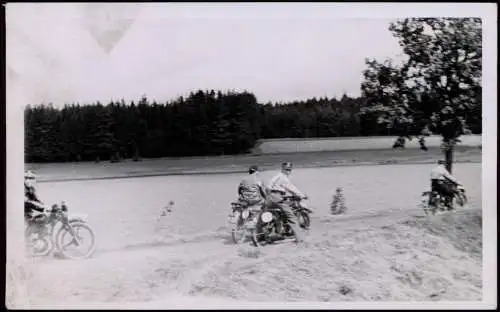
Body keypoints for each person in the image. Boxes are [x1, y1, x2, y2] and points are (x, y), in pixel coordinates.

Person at [266, 162, 307, 243]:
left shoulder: (275, 176)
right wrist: (301, 195)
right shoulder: (283, 178)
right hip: (277, 197)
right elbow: (291, 188)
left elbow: (268, 187)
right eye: (287, 169)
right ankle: (300, 239)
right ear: (282, 169)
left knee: (274, 214)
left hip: (269, 198)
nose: (288, 171)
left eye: (289, 170)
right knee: (292, 217)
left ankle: (276, 231)